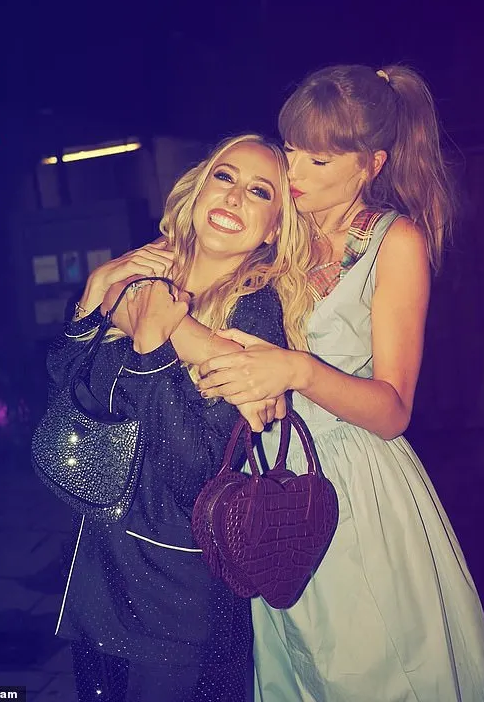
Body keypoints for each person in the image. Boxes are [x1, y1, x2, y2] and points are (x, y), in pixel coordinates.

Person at [197, 66, 484, 701]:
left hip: (356, 487)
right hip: (270, 483)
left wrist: (297, 369)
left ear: (371, 164)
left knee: (373, 672)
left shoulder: (396, 243)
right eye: (289, 153)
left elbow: (394, 410)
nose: (294, 176)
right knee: (300, 673)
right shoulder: (278, 225)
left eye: (316, 160)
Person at [44, 134, 312, 702]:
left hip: (177, 597)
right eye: (225, 176)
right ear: (197, 190)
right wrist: (96, 292)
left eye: (258, 191)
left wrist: (154, 343)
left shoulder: (254, 310)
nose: (235, 196)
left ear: (272, 230)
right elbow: (65, 385)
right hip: (97, 575)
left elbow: (191, 467)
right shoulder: (143, 274)